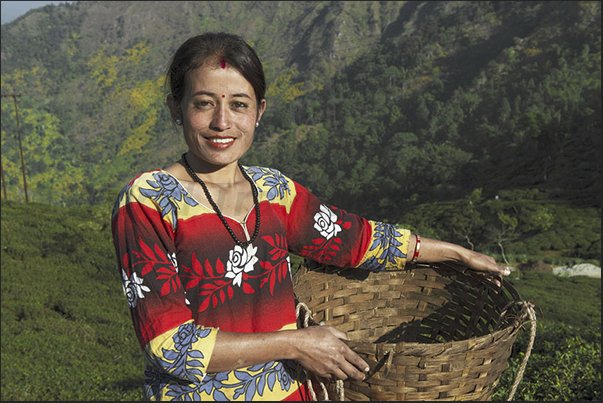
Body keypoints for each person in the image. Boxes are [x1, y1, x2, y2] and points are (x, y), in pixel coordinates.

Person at [111, 32, 511, 401]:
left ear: (259, 112)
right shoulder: (149, 202)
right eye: (203, 103)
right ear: (175, 108)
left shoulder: (274, 191)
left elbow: (354, 239)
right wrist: (297, 344)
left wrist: (454, 253)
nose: (222, 122)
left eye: (239, 104)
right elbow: (171, 347)